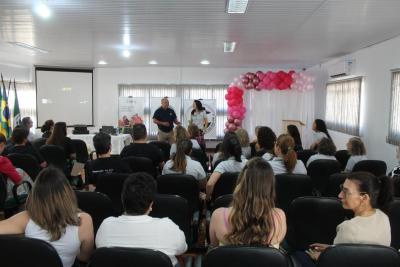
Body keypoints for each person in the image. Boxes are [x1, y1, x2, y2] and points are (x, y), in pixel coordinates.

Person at [0, 167, 94, 267]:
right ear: (68, 193)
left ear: (35, 194)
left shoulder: (26, 218)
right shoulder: (84, 220)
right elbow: (84, 258)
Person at [299, 172, 393, 267]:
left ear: (364, 197)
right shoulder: (383, 216)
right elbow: (367, 252)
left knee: (299, 255)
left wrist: (320, 256)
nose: (340, 195)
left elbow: (335, 263)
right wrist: (331, 249)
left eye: (346, 191)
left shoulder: (348, 228)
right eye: (341, 189)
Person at [95, 172, 187, 266]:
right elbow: (182, 249)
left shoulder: (106, 225)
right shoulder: (168, 226)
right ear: (151, 204)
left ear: (122, 200)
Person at [209, 158, 286, 247]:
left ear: (240, 183)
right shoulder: (280, 217)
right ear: (270, 188)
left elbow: (214, 251)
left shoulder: (218, 216)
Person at [206, 134, 247, 198]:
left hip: (223, 202)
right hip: (244, 201)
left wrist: (208, 198)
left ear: (225, 149)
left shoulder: (222, 165)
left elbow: (210, 184)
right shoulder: (248, 164)